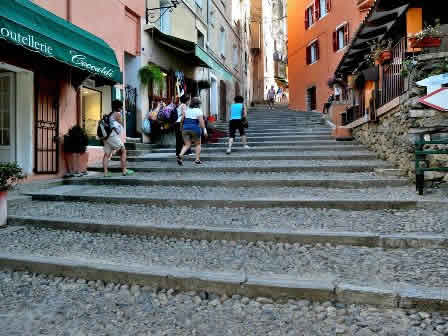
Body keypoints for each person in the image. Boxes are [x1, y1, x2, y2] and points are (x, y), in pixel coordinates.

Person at [103, 100, 134, 177]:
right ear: (119, 107)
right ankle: (124, 170)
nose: (122, 108)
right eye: (121, 106)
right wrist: (124, 115)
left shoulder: (110, 114)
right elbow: (121, 123)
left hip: (106, 136)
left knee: (107, 154)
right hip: (112, 135)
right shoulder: (117, 114)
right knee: (123, 150)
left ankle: (106, 173)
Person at [177, 97, 207, 165]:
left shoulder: (187, 110)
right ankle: (197, 160)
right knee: (198, 144)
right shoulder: (199, 111)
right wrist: (204, 130)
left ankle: (180, 155)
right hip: (195, 128)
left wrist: (181, 128)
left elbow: (182, 120)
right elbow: (201, 122)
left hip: (185, 128)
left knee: (187, 144)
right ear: (198, 104)